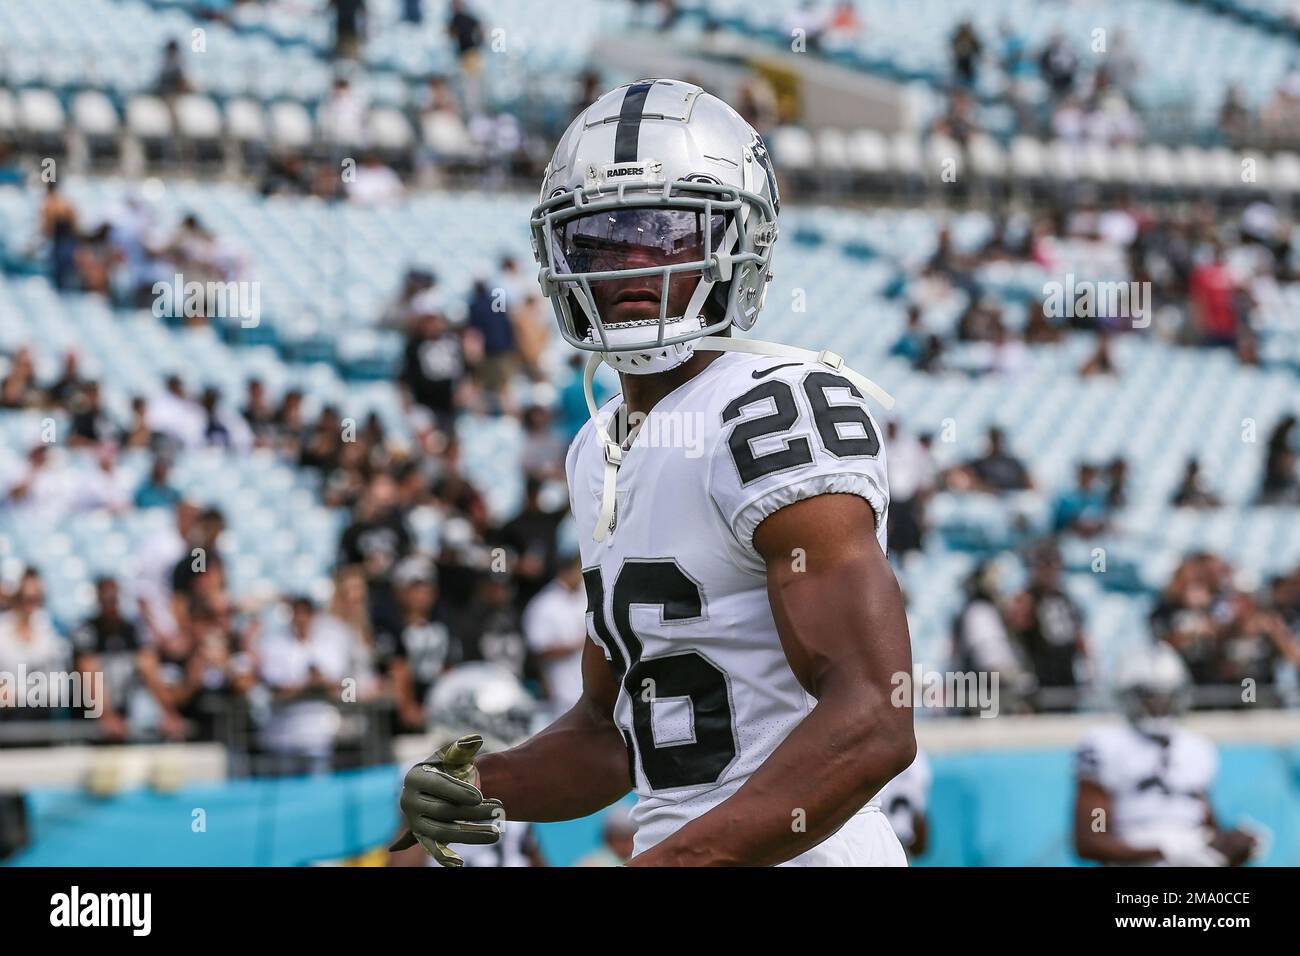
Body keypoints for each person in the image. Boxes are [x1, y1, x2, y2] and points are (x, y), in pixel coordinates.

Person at [394, 79, 915, 867]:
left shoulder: (774, 407)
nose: (632, 267)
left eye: (668, 234)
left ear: (739, 243)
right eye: (601, 239)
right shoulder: (594, 446)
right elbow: (613, 737)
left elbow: (875, 717)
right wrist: (480, 781)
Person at [1073, 644, 1261, 866]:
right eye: (1151, 697)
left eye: (1167, 696)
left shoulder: (1197, 748)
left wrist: (1232, 846)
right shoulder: (1104, 745)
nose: (1160, 706)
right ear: (1130, 697)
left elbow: (1207, 826)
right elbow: (1092, 840)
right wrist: (1166, 852)